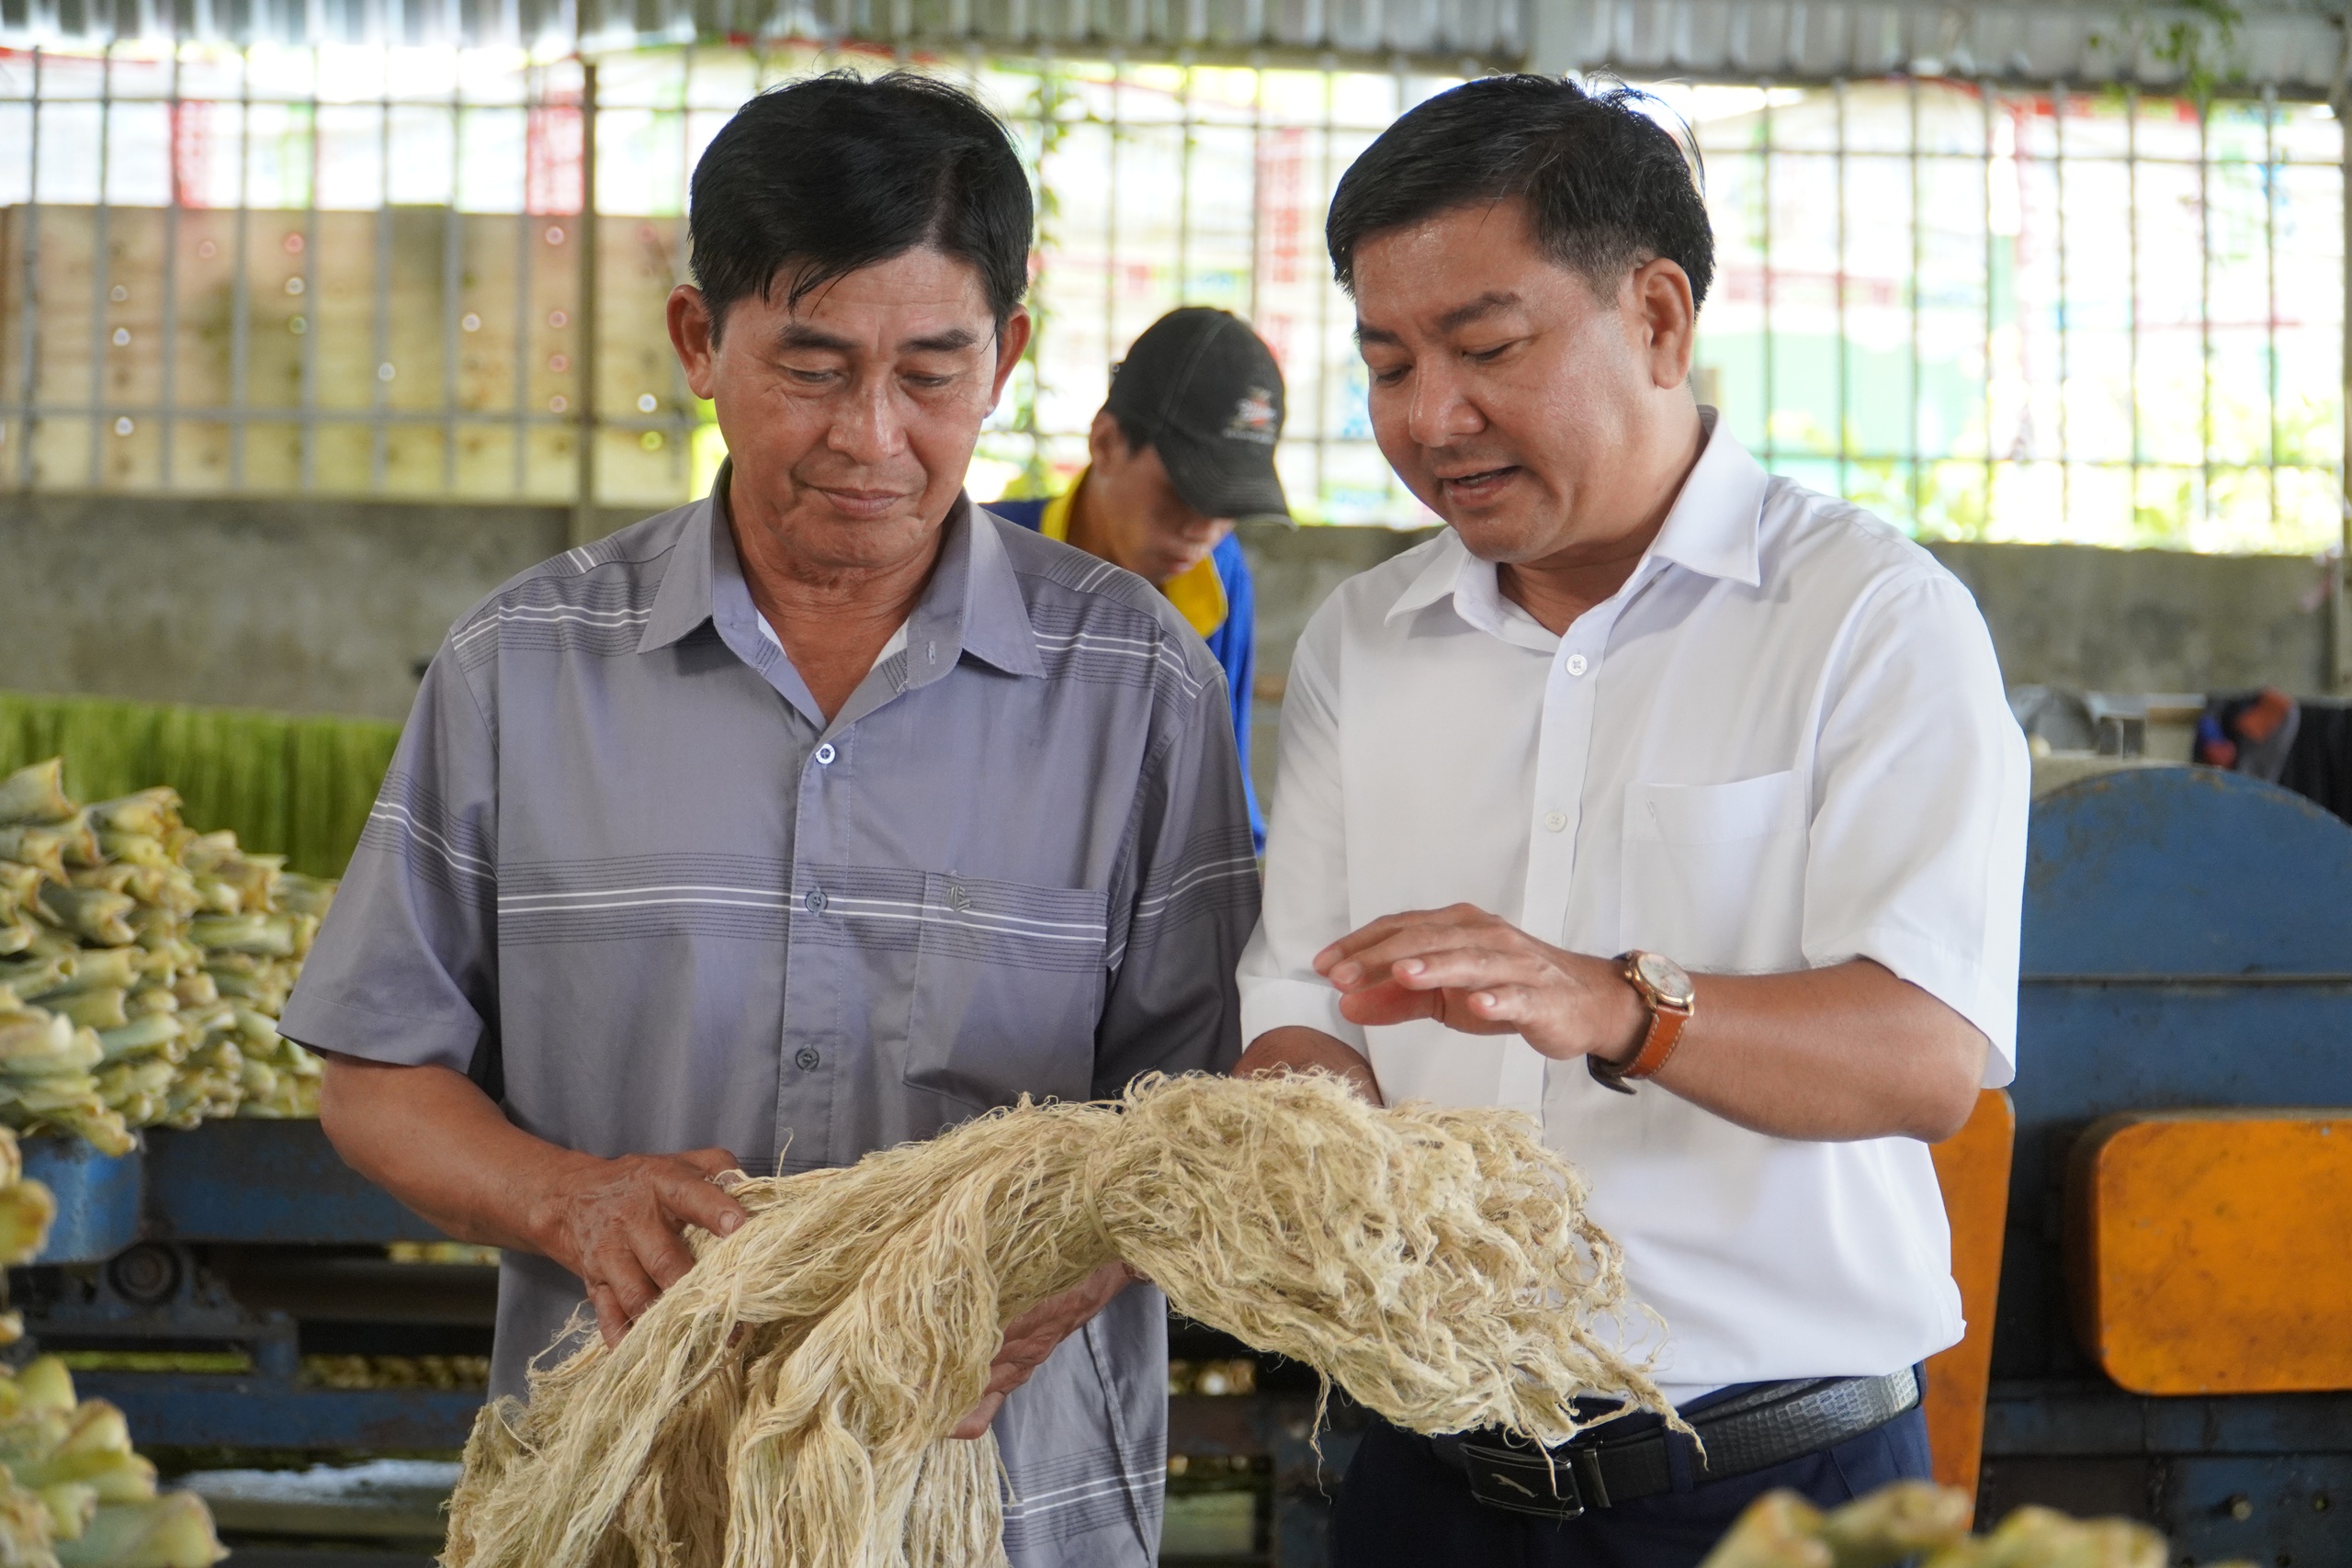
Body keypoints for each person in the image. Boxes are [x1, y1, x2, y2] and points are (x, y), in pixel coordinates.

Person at [282, 73, 1259, 1568]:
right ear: (698, 343)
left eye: (931, 373)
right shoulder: (521, 668)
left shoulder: (1141, 688)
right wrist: (575, 1202)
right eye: (811, 367)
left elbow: (1215, 1109)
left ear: (1007, 353)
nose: (872, 437)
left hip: (1000, 1510)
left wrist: (1061, 1266)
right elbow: (374, 1073)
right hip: (620, 1498)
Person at [1235, 75, 2029, 1565]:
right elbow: (1303, 1000)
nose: (1430, 418)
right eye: (1388, 361)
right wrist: (1309, 1152)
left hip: (1773, 1482)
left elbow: (1924, 1057)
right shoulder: (1363, 640)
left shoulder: (1868, 619)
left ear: (1658, 317)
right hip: (1425, 1478)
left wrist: (1614, 1002)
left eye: (1485, 349)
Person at [989, 307, 1286, 849]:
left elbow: (1218, 797)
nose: (1204, 531)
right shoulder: (984, 556)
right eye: (1183, 494)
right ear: (1105, 443)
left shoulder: (1217, 574)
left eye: (1229, 508)